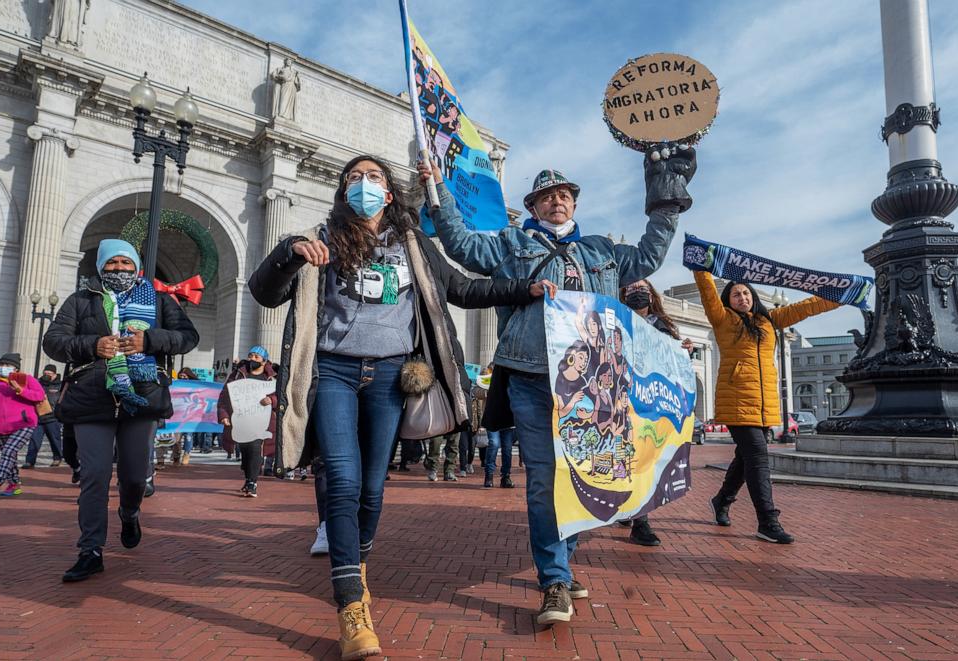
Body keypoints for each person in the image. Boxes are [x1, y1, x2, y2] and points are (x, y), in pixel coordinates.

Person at [248, 154, 556, 659]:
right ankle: (350, 603)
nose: (363, 185)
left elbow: (464, 289)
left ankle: (357, 561)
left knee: (372, 487)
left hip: (391, 376)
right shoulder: (320, 235)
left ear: (389, 194)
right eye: (353, 178)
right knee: (343, 480)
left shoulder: (412, 244)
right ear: (343, 191)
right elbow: (265, 292)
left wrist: (525, 288)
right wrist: (290, 252)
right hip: (334, 372)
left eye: (372, 178)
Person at [419, 143, 696, 625]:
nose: (556, 201)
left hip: (595, 380)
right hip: (530, 374)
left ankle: (563, 561)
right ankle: (553, 580)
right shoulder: (510, 245)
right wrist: (436, 187)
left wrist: (666, 198)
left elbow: (652, 252)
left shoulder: (604, 252)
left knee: (590, 477)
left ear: (575, 202)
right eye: (546, 196)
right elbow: (462, 245)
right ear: (532, 207)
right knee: (546, 479)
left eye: (564, 194)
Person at [43, 239, 199, 582]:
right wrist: (92, 345)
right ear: (100, 267)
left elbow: (188, 337)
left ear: (136, 266)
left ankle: (130, 513)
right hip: (92, 399)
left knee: (133, 477)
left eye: (125, 262)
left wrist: (150, 341)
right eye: (111, 263)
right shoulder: (80, 300)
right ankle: (90, 550)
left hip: (141, 399)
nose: (119, 269)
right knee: (94, 475)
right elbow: (53, 342)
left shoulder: (158, 300)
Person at [693, 271, 839, 544]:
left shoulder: (769, 320)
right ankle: (767, 521)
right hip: (736, 399)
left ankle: (722, 499)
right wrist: (701, 268)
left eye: (746, 292)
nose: (742, 297)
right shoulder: (723, 320)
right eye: (736, 294)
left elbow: (805, 308)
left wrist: (839, 299)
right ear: (728, 300)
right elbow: (708, 294)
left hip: (763, 403)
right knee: (758, 455)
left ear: (753, 296)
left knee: (745, 456)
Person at [616, 280, 694, 547]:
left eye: (642, 289)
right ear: (623, 294)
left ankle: (641, 522)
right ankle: (629, 505)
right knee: (624, 459)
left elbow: (674, 362)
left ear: (651, 294)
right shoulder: (614, 319)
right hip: (622, 398)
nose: (638, 293)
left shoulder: (663, 326)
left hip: (650, 402)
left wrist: (685, 351)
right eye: (632, 289)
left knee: (644, 457)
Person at [0, 353, 44, 497]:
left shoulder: (26, 379)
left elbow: (39, 395)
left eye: (7, 365)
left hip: (23, 423)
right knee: (9, 456)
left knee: (8, 451)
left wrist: (20, 390)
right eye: (1, 365)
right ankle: (14, 485)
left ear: (15, 369)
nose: (3, 368)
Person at [217, 346, 277, 497]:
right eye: (250, 355)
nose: (252, 359)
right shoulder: (238, 375)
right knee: (245, 451)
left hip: (261, 422)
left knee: (256, 448)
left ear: (264, 361)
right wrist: (223, 414)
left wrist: (271, 399)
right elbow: (225, 396)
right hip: (241, 421)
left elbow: (281, 395)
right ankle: (248, 477)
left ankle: (252, 482)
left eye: (257, 357)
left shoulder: (272, 377)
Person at [22, 364, 64, 469]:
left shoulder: (60, 385)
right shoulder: (37, 383)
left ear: (54, 374)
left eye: (49, 374)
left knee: (55, 440)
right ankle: (30, 461)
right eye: (45, 373)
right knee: (34, 440)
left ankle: (57, 458)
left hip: (53, 418)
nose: (47, 375)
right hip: (38, 418)